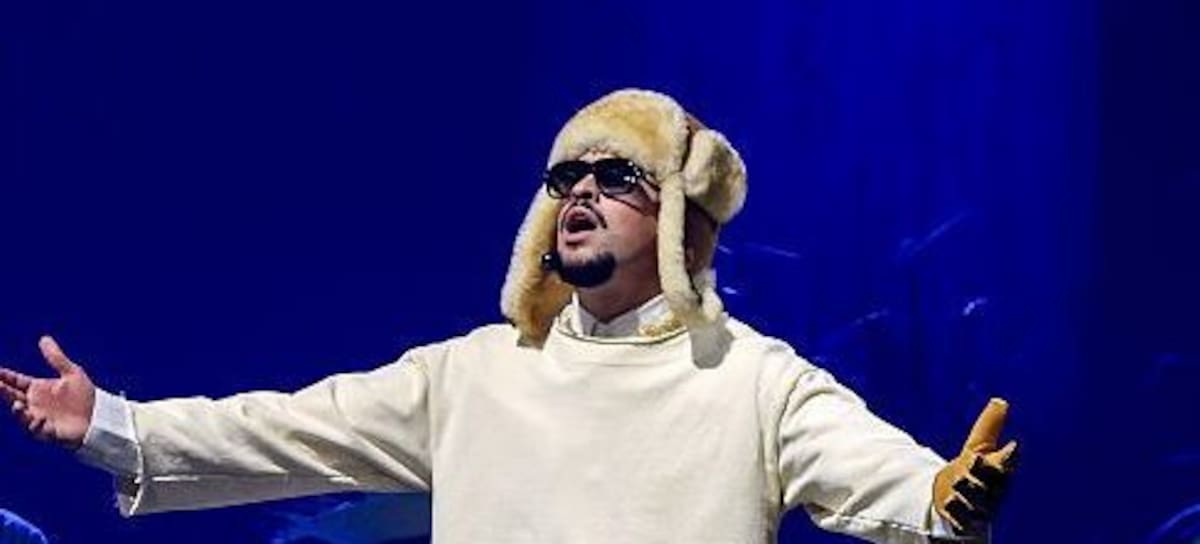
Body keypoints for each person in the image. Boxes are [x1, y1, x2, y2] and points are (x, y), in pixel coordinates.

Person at [0, 89, 1016, 543]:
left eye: (618, 175)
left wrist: (943, 498)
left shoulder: (755, 380)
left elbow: (887, 479)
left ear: (681, 219)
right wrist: (112, 425)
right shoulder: (475, 375)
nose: (581, 193)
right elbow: (285, 429)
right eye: (566, 177)